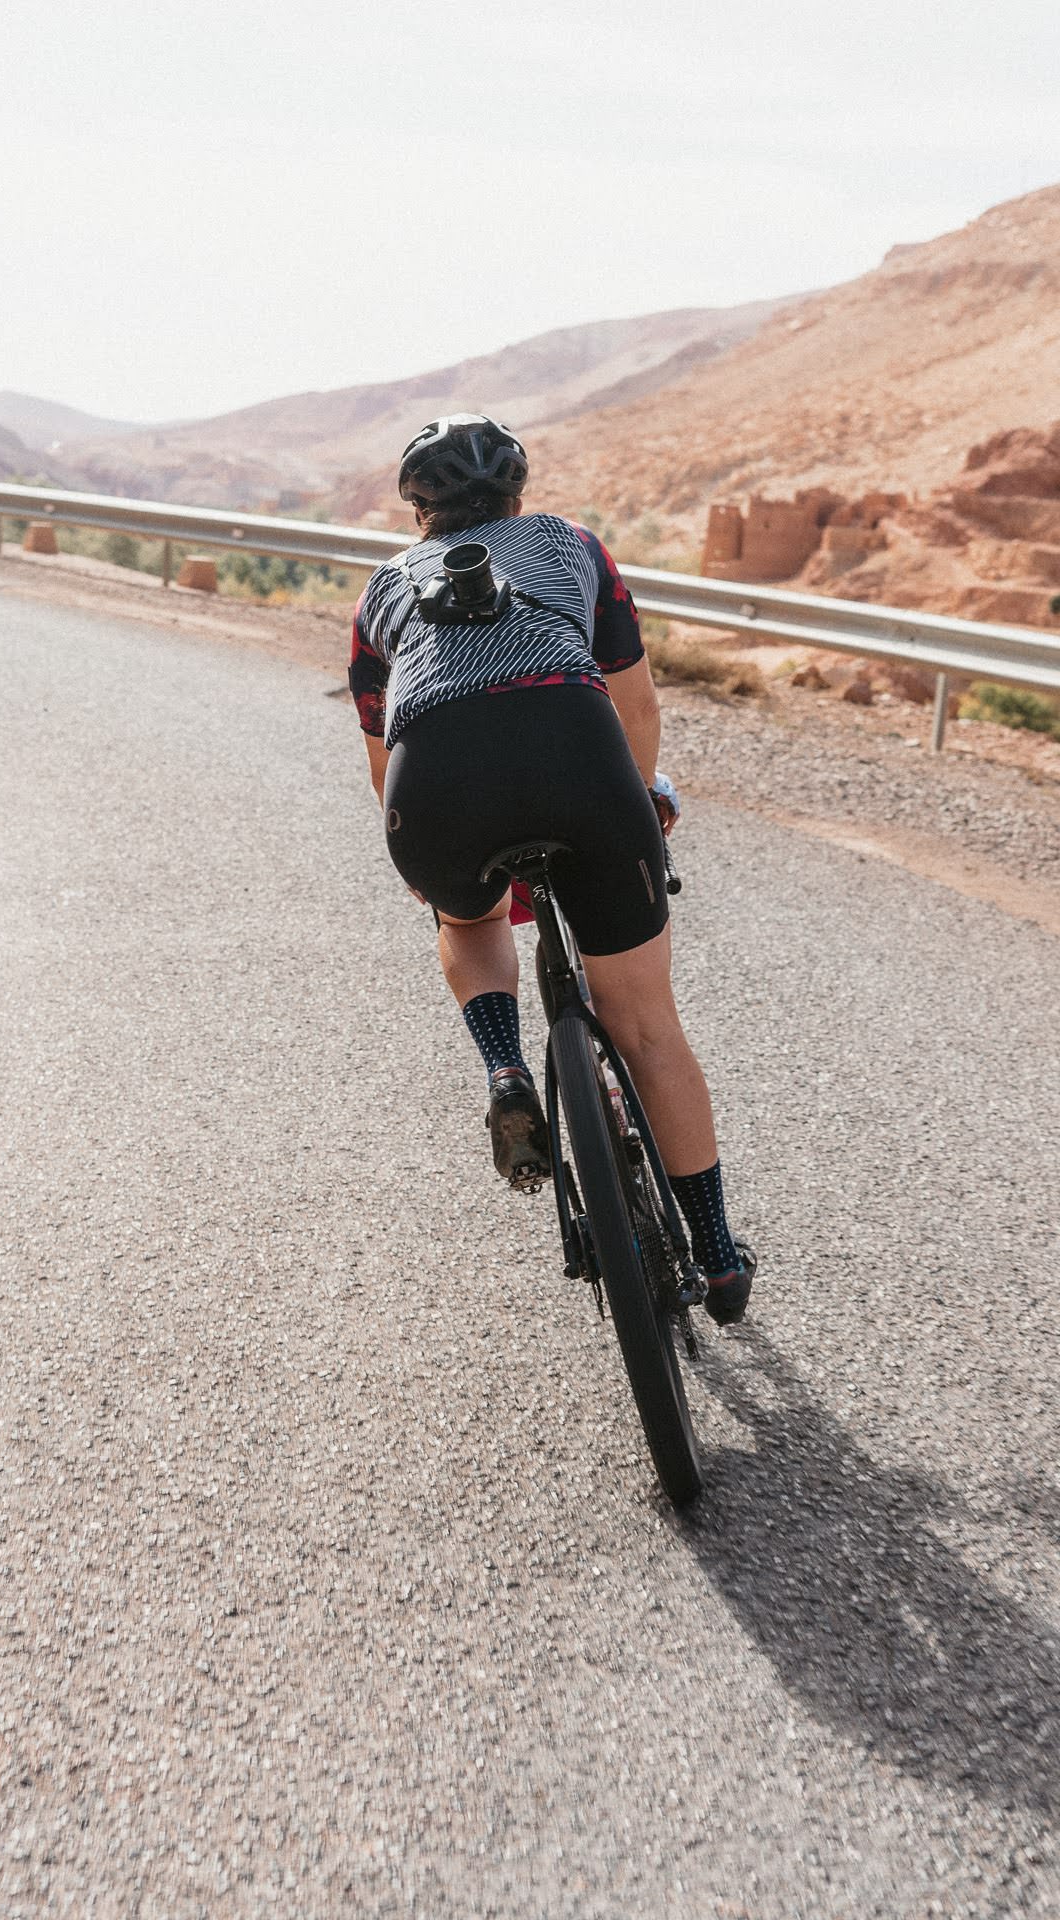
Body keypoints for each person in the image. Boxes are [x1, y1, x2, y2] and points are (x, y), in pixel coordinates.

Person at [349, 414, 755, 1324]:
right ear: (518, 492)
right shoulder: (572, 546)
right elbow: (634, 700)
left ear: (419, 510)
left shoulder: (382, 590)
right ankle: (721, 1259)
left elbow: (382, 756)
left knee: (470, 920)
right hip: (578, 758)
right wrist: (644, 797)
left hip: (438, 787)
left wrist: (427, 863)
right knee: (647, 1028)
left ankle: (503, 1070)